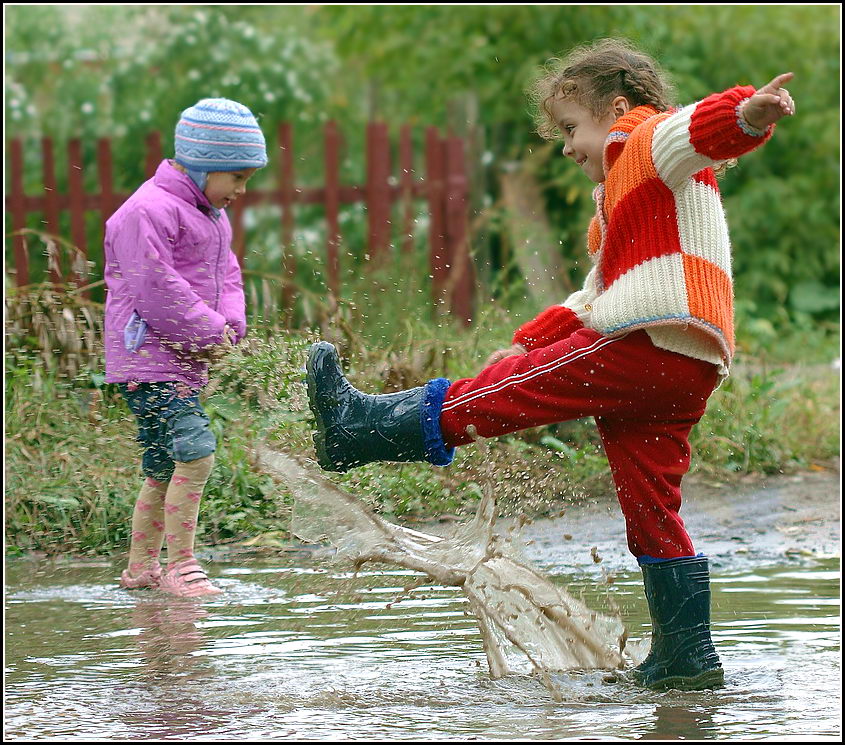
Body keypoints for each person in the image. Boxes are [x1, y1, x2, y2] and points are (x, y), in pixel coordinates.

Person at [306, 39, 795, 688]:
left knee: (506, 394)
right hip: (686, 363)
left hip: (648, 342)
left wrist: (748, 113)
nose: (566, 147)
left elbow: (699, 126)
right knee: (650, 503)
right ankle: (686, 658)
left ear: (616, 108)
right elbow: (593, 298)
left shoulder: (645, 138)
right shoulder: (623, 202)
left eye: (571, 128)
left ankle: (358, 429)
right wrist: (528, 342)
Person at [104, 98, 267, 597]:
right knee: (195, 455)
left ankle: (141, 570)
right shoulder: (146, 212)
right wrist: (209, 334)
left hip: (181, 359)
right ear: (202, 164)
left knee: (162, 464)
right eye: (237, 177)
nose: (242, 190)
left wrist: (230, 325)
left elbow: (230, 274)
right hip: (149, 361)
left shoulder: (210, 213)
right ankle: (183, 566)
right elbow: (156, 288)